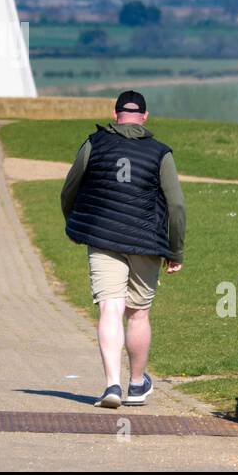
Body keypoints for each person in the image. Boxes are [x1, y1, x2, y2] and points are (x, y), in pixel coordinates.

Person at [60, 90, 185, 408]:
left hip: (102, 238)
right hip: (146, 241)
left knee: (110, 309)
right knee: (138, 313)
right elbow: (176, 205)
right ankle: (137, 384)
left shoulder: (94, 143)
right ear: (145, 116)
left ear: (115, 114)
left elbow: (69, 188)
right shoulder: (160, 153)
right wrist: (175, 250)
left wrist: (74, 225)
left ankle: (112, 385)